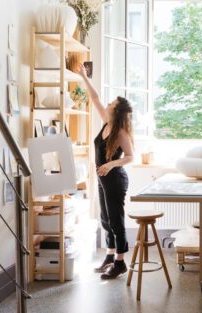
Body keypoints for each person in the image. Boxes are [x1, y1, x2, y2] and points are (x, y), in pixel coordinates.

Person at [76, 64, 134, 279]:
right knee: (106, 219)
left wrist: (111, 164)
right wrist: (83, 76)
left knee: (116, 220)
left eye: (113, 103)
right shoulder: (106, 123)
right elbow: (95, 98)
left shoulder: (120, 131)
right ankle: (110, 256)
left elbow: (130, 156)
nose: (108, 103)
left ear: (116, 110)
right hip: (103, 179)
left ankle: (120, 263)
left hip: (115, 180)